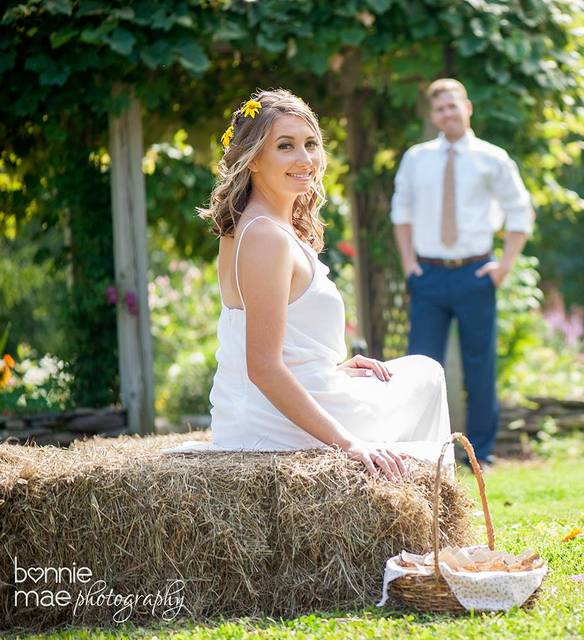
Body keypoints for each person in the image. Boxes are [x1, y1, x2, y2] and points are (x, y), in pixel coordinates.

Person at [167, 89, 451, 478]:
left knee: (413, 372)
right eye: (286, 146)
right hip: (274, 426)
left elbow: (280, 341)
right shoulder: (265, 235)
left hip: (274, 407)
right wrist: (350, 444)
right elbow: (262, 367)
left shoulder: (255, 226)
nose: (305, 159)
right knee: (427, 374)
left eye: (311, 144)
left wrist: (332, 369)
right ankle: (424, 512)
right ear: (252, 159)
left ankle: (413, 504)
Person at [390, 78, 535, 466]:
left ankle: (480, 454)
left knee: (480, 366)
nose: (447, 113)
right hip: (429, 277)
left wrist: (504, 266)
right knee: (419, 367)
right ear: (433, 115)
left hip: (475, 274)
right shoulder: (416, 159)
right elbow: (401, 213)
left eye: (453, 105)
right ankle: (420, 455)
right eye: (439, 108)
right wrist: (409, 265)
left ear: (467, 107)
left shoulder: (493, 158)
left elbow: (520, 211)